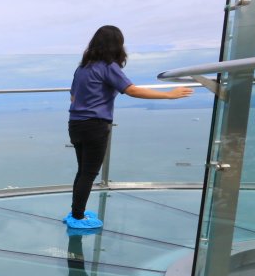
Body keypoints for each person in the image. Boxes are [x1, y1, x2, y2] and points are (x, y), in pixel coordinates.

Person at [66, 25, 192, 229]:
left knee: (83, 171)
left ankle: (76, 212)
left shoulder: (82, 68)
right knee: (89, 173)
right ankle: (78, 217)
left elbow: (73, 97)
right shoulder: (108, 67)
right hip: (95, 126)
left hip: (75, 124)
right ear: (117, 46)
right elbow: (131, 90)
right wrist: (170, 94)